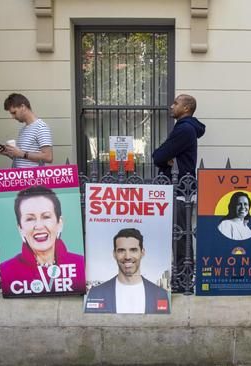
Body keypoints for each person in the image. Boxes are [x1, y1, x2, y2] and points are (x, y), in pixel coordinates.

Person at [152, 94, 205, 286]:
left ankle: (184, 277)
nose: (171, 106)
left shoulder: (184, 129)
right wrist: (166, 158)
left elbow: (158, 156)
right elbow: (162, 155)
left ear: (186, 108)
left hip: (180, 189)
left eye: (176, 103)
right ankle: (182, 274)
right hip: (179, 187)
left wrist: (165, 159)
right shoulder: (185, 128)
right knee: (179, 233)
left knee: (180, 234)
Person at [0, 185, 85, 295]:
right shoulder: (6, 271)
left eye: (46, 217)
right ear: (20, 229)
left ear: (59, 223)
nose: (39, 226)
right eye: (30, 219)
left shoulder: (81, 265)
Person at [85, 228, 169, 314]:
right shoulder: (96, 293)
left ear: (142, 252)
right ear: (114, 254)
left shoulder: (160, 294)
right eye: (121, 250)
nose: (127, 256)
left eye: (133, 250)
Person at [0, 93, 53, 168]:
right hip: (21, 177)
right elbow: (22, 159)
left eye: (14, 112)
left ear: (23, 107)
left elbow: (48, 157)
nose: (13, 117)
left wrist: (21, 153)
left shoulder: (41, 127)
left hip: (33, 178)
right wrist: (8, 153)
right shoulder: (23, 130)